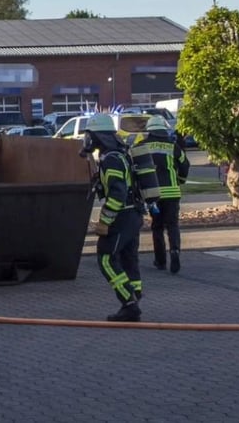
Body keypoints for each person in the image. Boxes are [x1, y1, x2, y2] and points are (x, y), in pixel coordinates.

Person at [81, 113, 143, 322]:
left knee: (106, 258)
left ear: (98, 136)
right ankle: (135, 293)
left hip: (121, 216)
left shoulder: (111, 160)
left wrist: (105, 221)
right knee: (128, 257)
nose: (87, 139)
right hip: (133, 214)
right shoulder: (120, 154)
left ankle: (129, 303)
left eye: (89, 135)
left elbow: (117, 193)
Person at [134, 115, 190, 274]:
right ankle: (175, 251)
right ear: (164, 130)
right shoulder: (173, 147)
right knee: (172, 225)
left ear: (149, 131)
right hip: (172, 192)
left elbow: (135, 167)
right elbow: (185, 164)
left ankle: (160, 261)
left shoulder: (141, 146)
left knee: (157, 226)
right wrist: (181, 180)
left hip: (153, 194)